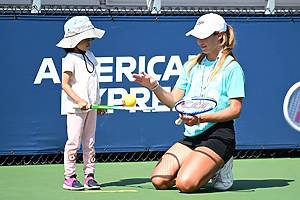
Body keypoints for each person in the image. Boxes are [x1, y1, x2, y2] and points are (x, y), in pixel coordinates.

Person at [132, 13, 245, 192]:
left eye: (205, 35)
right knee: (159, 180)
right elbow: (173, 102)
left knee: (186, 184)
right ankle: (200, 163)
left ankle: (221, 164)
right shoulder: (191, 65)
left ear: (220, 36)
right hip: (192, 136)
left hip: (219, 134)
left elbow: (235, 110)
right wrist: (153, 86)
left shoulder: (232, 68)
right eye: (198, 36)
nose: (200, 40)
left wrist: (202, 118)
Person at [57, 16, 106, 191]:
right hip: (75, 108)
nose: (89, 42)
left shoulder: (91, 55)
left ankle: (89, 176)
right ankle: (69, 177)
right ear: (74, 40)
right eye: (85, 39)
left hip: (91, 108)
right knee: (74, 142)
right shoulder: (69, 59)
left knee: (90, 142)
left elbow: (94, 82)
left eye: (90, 38)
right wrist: (79, 100)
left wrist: (98, 104)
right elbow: (65, 84)